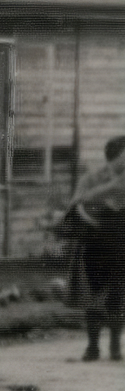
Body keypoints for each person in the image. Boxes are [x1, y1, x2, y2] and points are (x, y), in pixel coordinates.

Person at [65, 135, 125, 362]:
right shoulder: (91, 178)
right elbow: (74, 205)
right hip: (95, 241)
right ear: (117, 155)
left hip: (121, 241)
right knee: (94, 294)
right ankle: (92, 346)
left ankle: (115, 346)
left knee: (118, 293)